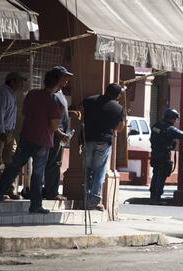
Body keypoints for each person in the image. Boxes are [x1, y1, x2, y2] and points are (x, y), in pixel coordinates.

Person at [0, 70, 62, 214]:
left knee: (14, 166)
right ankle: (35, 205)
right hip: (43, 140)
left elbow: (24, 112)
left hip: (26, 137)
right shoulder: (53, 100)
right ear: (57, 84)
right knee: (38, 174)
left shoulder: (32, 94)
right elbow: (54, 124)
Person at [82, 83, 126, 211]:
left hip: (87, 139)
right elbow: (120, 128)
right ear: (117, 95)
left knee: (87, 169)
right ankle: (94, 200)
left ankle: (85, 198)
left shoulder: (89, 100)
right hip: (103, 141)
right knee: (99, 171)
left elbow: (80, 111)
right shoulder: (118, 108)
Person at [44, 66, 80, 201]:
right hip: (55, 134)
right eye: (65, 78)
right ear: (58, 78)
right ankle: (51, 192)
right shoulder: (52, 94)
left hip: (60, 134)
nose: (67, 81)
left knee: (55, 163)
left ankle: (50, 190)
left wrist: (69, 113)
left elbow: (59, 112)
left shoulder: (60, 93)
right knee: (53, 164)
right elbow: (51, 117)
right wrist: (60, 133)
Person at [150, 108, 183, 205]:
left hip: (155, 154)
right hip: (164, 155)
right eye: (175, 119)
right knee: (161, 176)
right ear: (171, 118)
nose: (175, 121)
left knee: (156, 175)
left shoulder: (156, 125)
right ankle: (156, 198)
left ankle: (153, 197)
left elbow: (156, 139)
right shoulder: (170, 128)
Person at [0, 72, 27, 199]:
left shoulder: (12, 95)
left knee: (12, 162)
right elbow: (0, 112)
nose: (22, 84)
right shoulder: (4, 93)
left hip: (9, 132)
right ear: (12, 82)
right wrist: (1, 131)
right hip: (2, 133)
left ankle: (8, 189)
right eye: (20, 81)